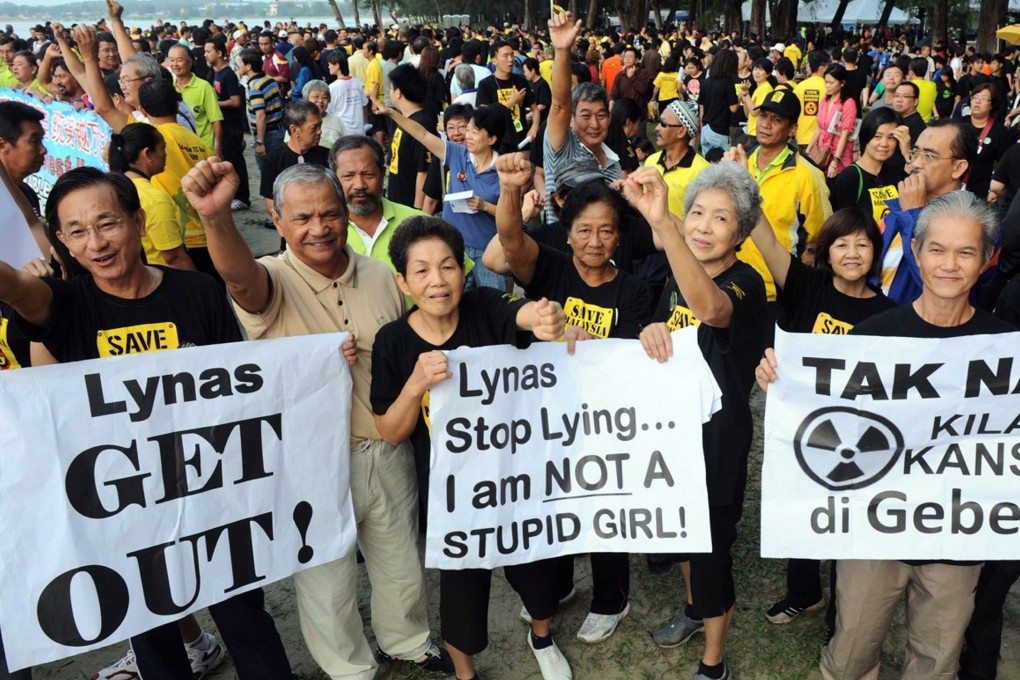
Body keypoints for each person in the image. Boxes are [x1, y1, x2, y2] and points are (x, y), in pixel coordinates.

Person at [0, 166, 297, 680]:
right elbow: (21, 293)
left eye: (107, 223)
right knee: (152, 634)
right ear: (64, 244)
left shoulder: (198, 293)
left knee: (245, 619)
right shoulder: (65, 308)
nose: (96, 242)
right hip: (123, 510)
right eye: (77, 231)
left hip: (210, 498)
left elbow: (237, 389)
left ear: (139, 221)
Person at [180, 156, 456, 680]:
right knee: (325, 576)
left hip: (387, 445)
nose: (318, 228)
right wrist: (216, 218)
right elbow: (239, 280)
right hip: (312, 461)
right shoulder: (270, 280)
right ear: (276, 220)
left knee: (400, 556)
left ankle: (409, 639)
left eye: (329, 214)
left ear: (345, 214)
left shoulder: (381, 275)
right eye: (302, 219)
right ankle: (350, 667)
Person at [756, 191, 1010, 680]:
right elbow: (831, 430)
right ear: (916, 254)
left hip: (958, 538)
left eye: (966, 251)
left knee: (936, 664)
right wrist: (785, 382)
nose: (950, 265)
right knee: (849, 656)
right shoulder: (873, 335)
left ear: (986, 258)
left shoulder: (1005, 349)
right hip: (875, 530)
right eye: (937, 249)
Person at [370, 215, 574, 680]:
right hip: (453, 500)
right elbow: (390, 430)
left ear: (464, 270)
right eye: (421, 271)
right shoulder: (393, 342)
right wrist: (416, 385)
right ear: (403, 281)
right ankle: (466, 673)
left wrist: (541, 317)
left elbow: (519, 315)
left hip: (515, 482)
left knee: (536, 578)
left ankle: (541, 635)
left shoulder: (483, 305)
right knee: (461, 596)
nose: (437, 281)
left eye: (447, 266)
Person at [621, 162, 766, 680]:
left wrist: (665, 225)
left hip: (718, 444)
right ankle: (692, 607)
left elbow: (710, 310)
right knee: (683, 536)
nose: (703, 226)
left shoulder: (747, 285)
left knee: (711, 554)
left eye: (720, 218)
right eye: (697, 212)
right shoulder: (673, 275)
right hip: (673, 436)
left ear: (742, 233)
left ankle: (713, 660)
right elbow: (670, 331)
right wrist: (652, 330)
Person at [750, 208, 895, 627]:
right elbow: (766, 239)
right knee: (805, 508)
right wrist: (745, 183)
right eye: (841, 243)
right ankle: (804, 591)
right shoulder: (805, 286)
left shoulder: (891, 315)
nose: (852, 253)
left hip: (863, 438)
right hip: (806, 429)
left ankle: (841, 612)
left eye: (862, 244)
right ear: (826, 253)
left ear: (875, 253)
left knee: (850, 523)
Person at [723, 89, 831, 312]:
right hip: (730, 284)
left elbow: (821, 234)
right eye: (763, 116)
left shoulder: (807, 175)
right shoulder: (741, 162)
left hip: (777, 293)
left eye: (777, 119)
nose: (766, 124)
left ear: (792, 129)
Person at [381, 102, 506, 289]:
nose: (468, 136)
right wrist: (392, 113)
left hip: (489, 251)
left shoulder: (503, 169)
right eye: (468, 131)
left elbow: (514, 216)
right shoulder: (458, 154)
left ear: (492, 138)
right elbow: (422, 134)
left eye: (475, 132)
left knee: (493, 305)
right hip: (455, 247)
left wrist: (484, 206)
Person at [881, 119, 976, 303]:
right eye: (915, 152)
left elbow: (940, 288)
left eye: (929, 156)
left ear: (958, 168)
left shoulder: (976, 223)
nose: (915, 163)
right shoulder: (898, 208)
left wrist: (912, 215)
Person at [544, 12, 621, 224]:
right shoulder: (562, 147)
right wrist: (561, 51)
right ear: (571, 119)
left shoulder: (614, 164)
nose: (595, 124)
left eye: (602, 115)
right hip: (564, 251)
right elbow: (560, 105)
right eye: (585, 115)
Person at [106, 123, 195, 270]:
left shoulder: (111, 188)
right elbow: (174, 258)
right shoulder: (154, 199)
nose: (165, 154)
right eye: (162, 148)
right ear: (147, 154)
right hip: (161, 278)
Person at [330, 135, 425, 271]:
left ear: (382, 173)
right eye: (348, 176)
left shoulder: (418, 224)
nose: (359, 185)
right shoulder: (324, 234)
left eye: (368, 175)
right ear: (334, 178)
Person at [829, 108, 905, 242]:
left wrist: (907, 153)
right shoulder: (850, 178)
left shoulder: (898, 175)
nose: (884, 144)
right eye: (877, 136)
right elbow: (840, 228)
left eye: (891, 138)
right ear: (866, 137)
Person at [259, 100, 328, 218]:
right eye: (314, 128)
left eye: (320, 126)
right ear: (295, 130)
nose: (319, 132)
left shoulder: (328, 156)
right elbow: (270, 202)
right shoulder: (274, 158)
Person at [205, 37, 250, 210]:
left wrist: (212, 104)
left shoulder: (228, 74)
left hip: (231, 125)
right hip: (221, 124)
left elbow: (235, 101)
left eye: (208, 51)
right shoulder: (215, 73)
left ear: (219, 53)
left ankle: (242, 197)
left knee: (235, 160)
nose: (205, 55)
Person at [645, 99, 709, 219]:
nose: (657, 128)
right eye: (659, 122)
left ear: (681, 131)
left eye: (663, 123)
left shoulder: (703, 172)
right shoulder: (651, 161)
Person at [387, 63, 438, 210]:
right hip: (399, 203)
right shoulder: (404, 119)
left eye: (391, 88)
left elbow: (424, 171)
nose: (390, 92)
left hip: (410, 208)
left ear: (398, 92)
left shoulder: (421, 123)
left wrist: (417, 210)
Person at [477, 40, 540, 149]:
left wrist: (534, 127)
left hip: (522, 140)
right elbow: (485, 117)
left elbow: (535, 109)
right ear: (494, 61)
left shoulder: (520, 81)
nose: (511, 59)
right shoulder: (485, 85)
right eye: (505, 56)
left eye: (512, 55)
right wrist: (511, 103)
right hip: (499, 144)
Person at [167, 43, 223, 155]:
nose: (175, 64)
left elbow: (216, 121)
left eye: (179, 60)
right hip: (181, 151)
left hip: (203, 150)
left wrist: (218, 149)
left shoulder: (203, 86)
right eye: (171, 60)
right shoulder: (169, 88)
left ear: (190, 62)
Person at [963, 83, 1015, 201]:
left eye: (983, 99)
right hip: (954, 189)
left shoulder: (999, 132)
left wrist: (995, 190)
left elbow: (1005, 165)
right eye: (975, 97)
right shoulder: (958, 125)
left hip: (981, 194)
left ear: (991, 105)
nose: (977, 101)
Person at [238, 48, 285, 174]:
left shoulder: (254, 86)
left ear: (248, 66)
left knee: (268, 174)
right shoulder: (269, 79)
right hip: (278, 130)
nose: (238, 66)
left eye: (240, 63)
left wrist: (260, 142)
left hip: (267, 135)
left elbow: (261, 115)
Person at [806, 63, 856, 178]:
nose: (827, 86)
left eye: (831, 83)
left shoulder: (848, 103)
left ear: (842, 83)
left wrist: (835, 161)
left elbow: (845, 134)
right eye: (826, 82)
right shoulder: (825, 100)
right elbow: (819, 127)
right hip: (821, 154)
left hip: (838, 157)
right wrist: (808, 151)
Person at [698, 49, 739, 158]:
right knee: (722, 166)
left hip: (706, 129)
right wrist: (740, 97)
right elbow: (734, 108)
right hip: (719, 131)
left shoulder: (705, 82)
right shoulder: (728, 83)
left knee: (707, 164)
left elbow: (701, 107)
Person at [793, 50, 828, 150]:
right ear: (821, 68)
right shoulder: (828, 87)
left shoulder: (799, 87)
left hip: (801, 137)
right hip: (821, 140)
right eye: (827, 66)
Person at [740, 58, 774, 142]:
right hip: (751, 132)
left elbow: (754, 111)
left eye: (761, 70)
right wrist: (745, 94)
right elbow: (747, 114)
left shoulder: (766, 88)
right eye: (755, 69)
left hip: (757, 134)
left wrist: (747, 95)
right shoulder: (758, 88)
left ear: (768, 74)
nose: (757, 72)